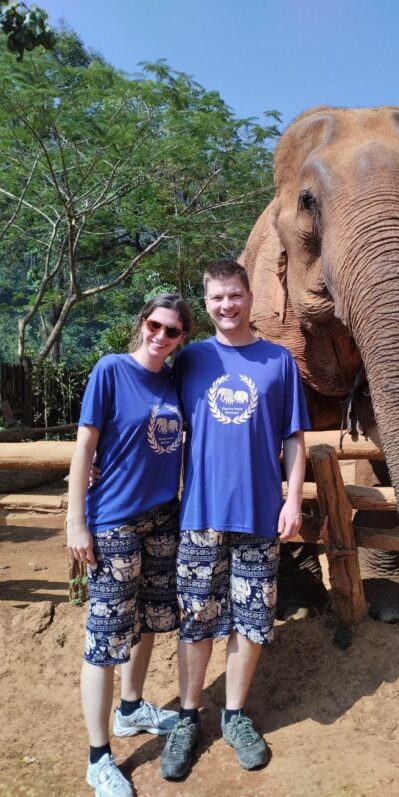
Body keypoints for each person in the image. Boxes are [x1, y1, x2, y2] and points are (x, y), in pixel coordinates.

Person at [159, 259, 310, 779]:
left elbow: (293, 439)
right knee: (196, 617)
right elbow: (154, 421)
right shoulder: (190, 360)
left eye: (235, 295)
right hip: (199, 512)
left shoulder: (278, 361)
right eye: (217, 298)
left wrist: (292, 500)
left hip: (260, 514)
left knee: (252, 618)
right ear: (206, 304)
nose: (227, 305)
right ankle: (186, 716)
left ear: (250, 296)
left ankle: (235, 714)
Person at [67, 294, 191, 797]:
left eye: (173, 331)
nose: (161, 336)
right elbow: (85, 446)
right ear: (142, 324)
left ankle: (131, 708)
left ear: (183, 339)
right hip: (114, 520)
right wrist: (76, 521)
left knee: (147, 622)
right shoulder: (111, 370)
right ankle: (98, 757)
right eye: (155, 325)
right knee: (104, 638)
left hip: (163, 516)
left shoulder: (173, 381)